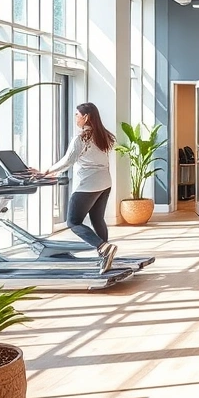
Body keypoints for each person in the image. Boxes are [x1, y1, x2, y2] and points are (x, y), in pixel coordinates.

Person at [41, 102, 118, 275]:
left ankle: (103, 247)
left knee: (73, 221)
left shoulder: (81, 138)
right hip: (105, 182)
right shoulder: (104, 136)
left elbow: (68, 160)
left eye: (77, 114)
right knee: (97, 219)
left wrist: (47, 171)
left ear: (86, 117)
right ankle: (105, 255)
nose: (75, 117)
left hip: (88, 184)